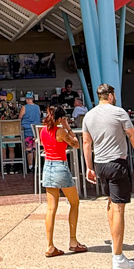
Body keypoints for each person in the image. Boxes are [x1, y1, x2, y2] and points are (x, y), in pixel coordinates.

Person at [82, 83, 134, 269]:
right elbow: (133, 137)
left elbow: (86, 143)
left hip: (100, 164)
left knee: (111, 202)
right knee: (119, 207)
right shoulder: (119, 112)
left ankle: (115, 245)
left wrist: (89, 167)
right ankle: (118, 257)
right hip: (117, 163)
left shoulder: (89, 116)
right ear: (111, 96)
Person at [40, 105, 87, 257]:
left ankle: (50, 245)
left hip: (48, 167)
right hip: (60, 166)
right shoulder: (60, 131)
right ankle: (73, 241)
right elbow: (76, 144)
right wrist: (68, 127)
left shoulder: (43, 130)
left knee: (51, 208)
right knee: (74, 202)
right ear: (60, 118)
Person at [20, 93, 43, 172]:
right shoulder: (37, 107)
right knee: (35, 148)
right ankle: (37, 166)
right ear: (33, 99)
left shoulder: (24, 107)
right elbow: (39, 116)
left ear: (26, 99)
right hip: (36, 130)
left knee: (29, 148)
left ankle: (30, 167)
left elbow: (20, 117)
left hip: (28, 130)